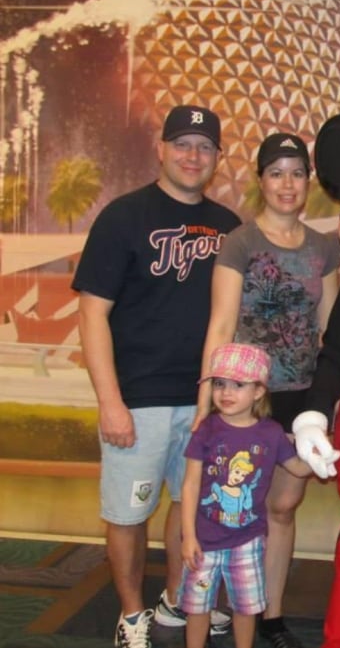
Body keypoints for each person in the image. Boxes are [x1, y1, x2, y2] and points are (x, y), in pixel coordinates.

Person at [72, 105, 242, 648]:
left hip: (204, 400)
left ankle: (175, 598)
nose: (193, 156)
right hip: (139, 398)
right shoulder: (123, 216)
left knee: (186, 503)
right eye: (183, 144)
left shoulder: (228, 227)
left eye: (205, 147)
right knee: (128, 511)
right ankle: (130, 614)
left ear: (217, 158)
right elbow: (92, 312)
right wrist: (110, 402)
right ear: (162, 149)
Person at [196, 132, 340, 648]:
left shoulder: (323, 247)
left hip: (299, 397)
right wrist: (204, 404)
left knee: (281, 507)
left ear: (308, 182)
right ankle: (218, 608)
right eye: (277, 172)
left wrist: (330, 406)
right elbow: (220, 325)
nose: (287, 184)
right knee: (232, 507)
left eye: (297, 173)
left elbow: (332, 335)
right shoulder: (240, 242)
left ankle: (270, 616)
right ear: (261, 180)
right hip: (247, 398)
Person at [181, 343, 317, 648]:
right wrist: (188, 536)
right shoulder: (206, 429)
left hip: (249, 541)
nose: (226, 393)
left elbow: (297, 467)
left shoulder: (271, 433)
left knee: (246, 607)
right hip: (205, 541)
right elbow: (189, 485)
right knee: (197, 607)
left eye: (238, 385)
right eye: (219, 384)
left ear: (258, 391)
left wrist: (319, 458)